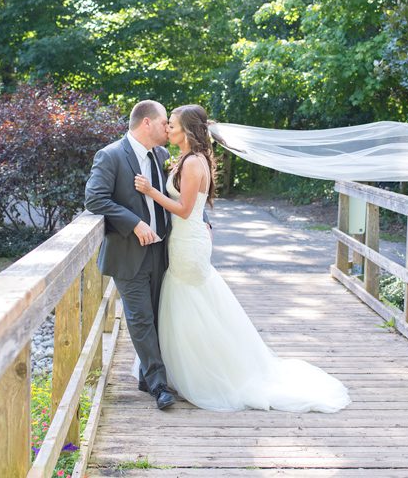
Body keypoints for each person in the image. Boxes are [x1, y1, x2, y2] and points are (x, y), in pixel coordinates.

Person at [134, 104, 351, 412]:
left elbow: (183, 209)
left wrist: (150, 191)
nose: (167, 129)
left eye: (172, 125)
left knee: (190, 305)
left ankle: (206, 375)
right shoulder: (184, 158)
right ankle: (185, 370)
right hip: (183, 241)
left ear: (187, 131)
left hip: (188, 245)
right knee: (188, 305)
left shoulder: (195, 163)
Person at [84, 100, 176, 410]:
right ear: (146, 123)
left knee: (157, 313)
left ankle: (144, 375)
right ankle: (158, 383)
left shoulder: (162, 156)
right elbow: (94, 199)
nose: (168, 128)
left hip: (162, 249)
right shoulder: (110, 156)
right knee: (139, 318)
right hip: (127, 252)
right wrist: (133, 223)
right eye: (164, 122)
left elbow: (175, 197)